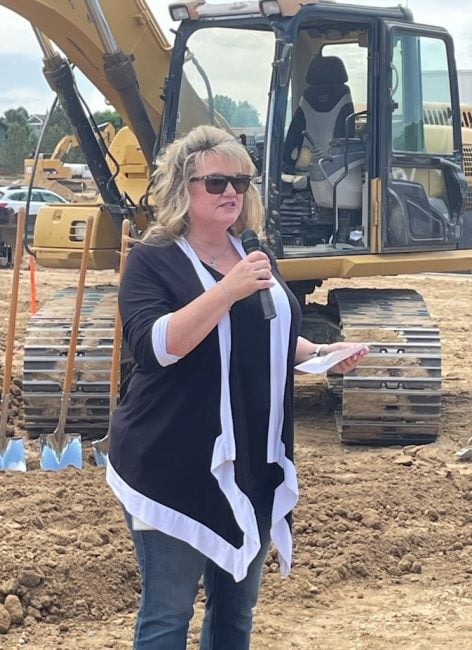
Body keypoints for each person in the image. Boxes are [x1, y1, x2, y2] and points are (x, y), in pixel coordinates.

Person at [106, 124, 367, 650]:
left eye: (241, 182)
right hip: (173, 463)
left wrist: (316, 355)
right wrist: (227, 289)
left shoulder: (252, 252)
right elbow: (157, 346)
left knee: (235, 617)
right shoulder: (151, 261)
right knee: (167, 615)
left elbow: (262, 334)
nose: (231, 192)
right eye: (217, 182)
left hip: (250, 462)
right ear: (184, 189)